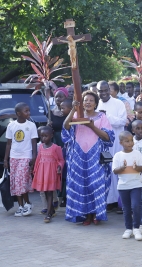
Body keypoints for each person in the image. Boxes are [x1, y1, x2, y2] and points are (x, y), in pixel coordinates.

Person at [62, 90, 115, 224]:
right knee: (80, 185)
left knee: (96, 184)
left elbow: (108, 137)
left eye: (91, 100)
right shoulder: (76, 115)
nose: (88, 102)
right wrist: (73, 109)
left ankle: (96, 215)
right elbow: (66, 127)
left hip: (95, 155)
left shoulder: (101, 117)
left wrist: (91, 126)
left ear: (96, 103)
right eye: (85, 100)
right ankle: (85, 216)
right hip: (78, 156)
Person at [96, 81, 127, 212]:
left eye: (105, 90)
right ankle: (108, 202)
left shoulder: (118, 103)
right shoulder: (95, 104)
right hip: (102, 143)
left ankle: (120, 202)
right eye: (100, 91)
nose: (102, 93)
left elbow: (122, 121)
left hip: (116, 144)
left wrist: (106, 116)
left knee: (117, 170)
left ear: (109, 90)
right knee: (105, 171)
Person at [4, 102, 38, 217]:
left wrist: (34, 157)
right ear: (18, 113)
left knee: (21, 181)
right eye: (26, 111)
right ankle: (21, 206)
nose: (29, 113)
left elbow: (34, 142)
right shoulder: (11, 126)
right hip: (14, 157)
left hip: (26, 156)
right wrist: (5, 159)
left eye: (29, 110)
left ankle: (27, 203)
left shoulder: (31, 125)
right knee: (15, 182)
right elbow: (8, 144)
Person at [113, 131, 142, 241]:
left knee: (135, 206)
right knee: (126, 208)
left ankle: (136, 228)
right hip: (123, 186)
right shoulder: (118, 156)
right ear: (121, 142)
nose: (130, 143)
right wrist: (122, 167)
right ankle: (128, 229)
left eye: (131, 140)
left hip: (136, 185)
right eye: (127, 141)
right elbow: (115, 171)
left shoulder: (137, 154)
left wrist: (137, 168)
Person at [32, 126, 65, 223]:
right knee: (45, 192)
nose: (43, 138)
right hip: (42, 172)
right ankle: (52, 209)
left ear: (51, 136)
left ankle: (48, 214)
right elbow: (38, 159)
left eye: (45, 136)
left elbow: (61, 160)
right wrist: (35, 170)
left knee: (50, 192)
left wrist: (59, 166)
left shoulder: (56, 148)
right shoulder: (40, 147)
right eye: (41, 136)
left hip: (51, 173)